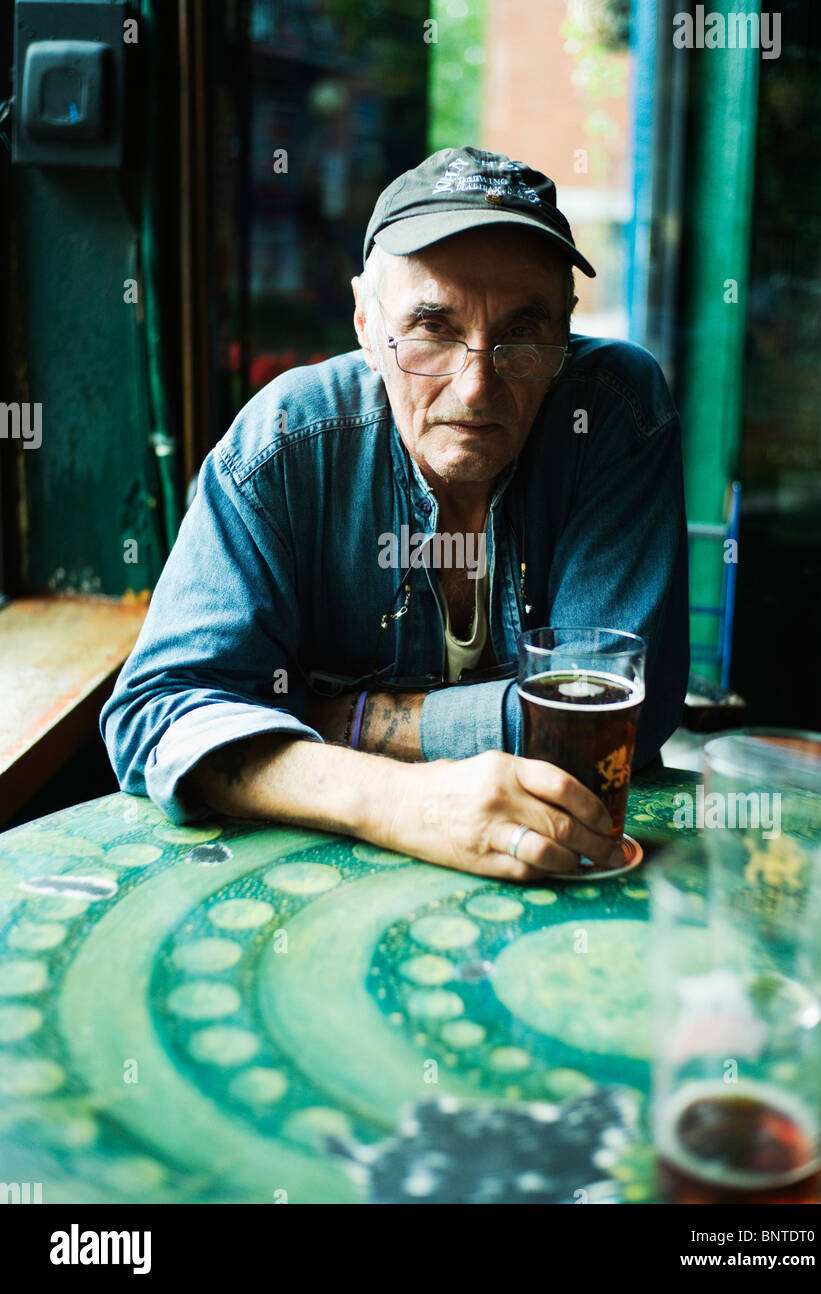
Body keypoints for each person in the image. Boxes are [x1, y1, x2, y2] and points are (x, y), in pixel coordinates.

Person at [100, 146, 689, 882]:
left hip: (579, 862)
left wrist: (335, 721)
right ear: (365, 323)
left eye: (522, 333)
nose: (475, 387)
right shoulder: (284, 443)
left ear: (565, 331)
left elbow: (603, 722)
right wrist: (398, 801)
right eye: (431, 329)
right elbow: (157, 715)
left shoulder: (613, 414)